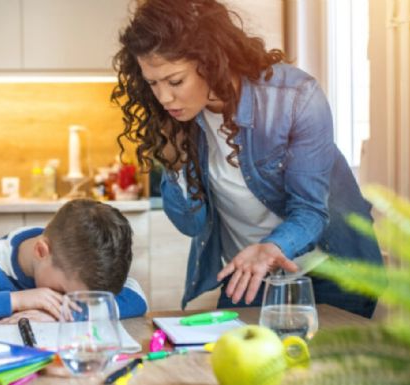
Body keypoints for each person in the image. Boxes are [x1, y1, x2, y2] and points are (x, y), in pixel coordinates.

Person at [111, 0, 383, 318]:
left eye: (175, 82)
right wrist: (175, 167)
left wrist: (270, 249)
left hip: (333, 272)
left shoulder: (295, 97)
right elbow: (190, 224)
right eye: (152, 83)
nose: (163, 97)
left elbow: (310, 211)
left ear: (212, 62)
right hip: (249, 274)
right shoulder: (178, 120)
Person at [0, 198, 148, 326]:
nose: (66, 302)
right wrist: (18, 300)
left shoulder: (86, 262)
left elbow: (137, 298)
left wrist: (64, 314)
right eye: (65, 294)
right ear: (41, 251)